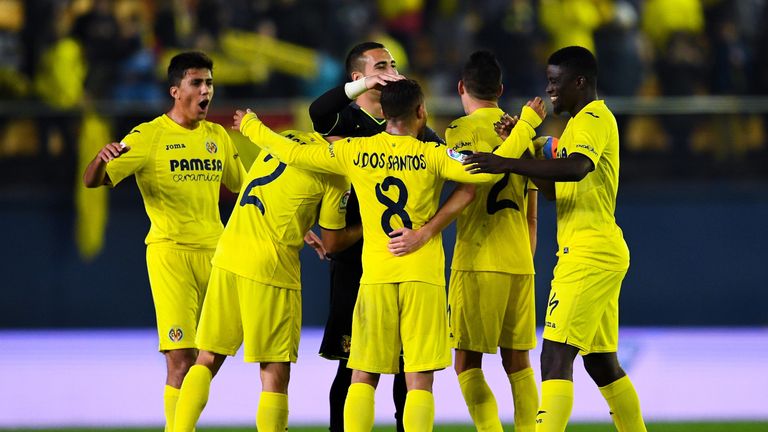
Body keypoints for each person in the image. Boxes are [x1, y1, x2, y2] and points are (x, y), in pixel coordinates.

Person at [235, 78, 546, 432]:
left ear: (383, 114)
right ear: (421, 112)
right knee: (419, 380)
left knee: (363, 376)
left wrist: (251, 126)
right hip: (423, 277)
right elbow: (488, 168)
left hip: (376, 276)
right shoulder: (435, 155)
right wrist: (526, 127)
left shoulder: (354, 151)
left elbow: (292, 153)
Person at [464, 45, 647, 432]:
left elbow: (577, 168)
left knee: (554, 356)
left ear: (579, 81)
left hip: (588, 253)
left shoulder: (594, 118)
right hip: (593, 250)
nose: (550, 90)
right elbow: (551, 188)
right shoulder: (576, 126)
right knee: (600, 363)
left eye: (555, 81)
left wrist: (507, 161)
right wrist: (527, 144)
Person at [82, 51, 245, 432]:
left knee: (214, 354)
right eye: (196, 83)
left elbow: (247, 187)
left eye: (209, 83)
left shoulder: (217, 136)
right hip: (170, 254)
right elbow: (93, 181)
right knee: (181, 360)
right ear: (175, 90)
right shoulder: (149, 136)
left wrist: (291, 220)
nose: (206, 91)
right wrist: (100, 158)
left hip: (217, 254)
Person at [389, 50, 541, 432]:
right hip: (521, 260)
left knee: (466, 364)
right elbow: (532, 212)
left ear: (460, 87)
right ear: (500, 89)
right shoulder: (527, 138)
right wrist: (525, 257)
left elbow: (472, 180)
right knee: (519, 364)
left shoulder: (457, 132)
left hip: (477, 260)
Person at [171, 128, 362, 432]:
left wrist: (299, 228)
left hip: (230, 251)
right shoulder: (337, 174)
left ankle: (177, 429)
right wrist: (368, 228)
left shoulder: (288, 137)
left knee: (207, 356)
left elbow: (273, 193)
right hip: (270, 267)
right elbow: (334, 242)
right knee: (274, 371)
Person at [308, 40, 444, 432]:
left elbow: (439, 156)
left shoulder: (410, 130)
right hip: (357, 264)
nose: (390, 71)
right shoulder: (347, 122)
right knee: (352, 366)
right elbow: (317, 111)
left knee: (407, 366)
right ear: (358, 78)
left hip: (404, 258)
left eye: (393, 64)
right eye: (380, 66)